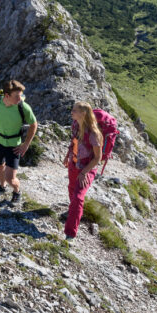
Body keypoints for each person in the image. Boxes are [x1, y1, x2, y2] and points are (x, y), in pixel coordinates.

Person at [0, 80, 38, 204]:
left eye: (21, 95)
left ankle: (16, 190)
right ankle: (2, 187)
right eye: (17, 96)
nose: (21, 98)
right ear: (6, 96)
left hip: (14, 145)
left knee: (10, 178)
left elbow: (34, 125)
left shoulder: (23, 107)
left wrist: (25, 145)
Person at [63, 101, 103, 239]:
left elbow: (98, 158)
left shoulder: (94, 134)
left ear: (83, 113)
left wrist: (84, 172)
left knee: (78, 197)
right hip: (74, 164)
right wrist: (68, 155)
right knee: (71, 190)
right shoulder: (75, 125)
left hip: (86, 168)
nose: (72, 112)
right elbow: (73, 141)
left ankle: (70, 234)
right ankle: (73, 212)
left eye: (75, 110)